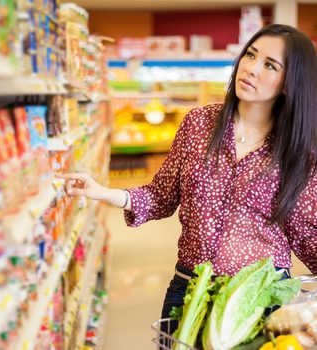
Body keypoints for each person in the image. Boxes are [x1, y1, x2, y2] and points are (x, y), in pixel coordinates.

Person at [57, 24, 317, 337]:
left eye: (270, 65)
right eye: (250, 55)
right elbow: (161, 195)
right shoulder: (198, 124)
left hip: (258, 301)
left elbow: (305, 233)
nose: (250, 68)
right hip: (189, 290)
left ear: (290, 83)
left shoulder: (298, 151)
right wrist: (103, 192)